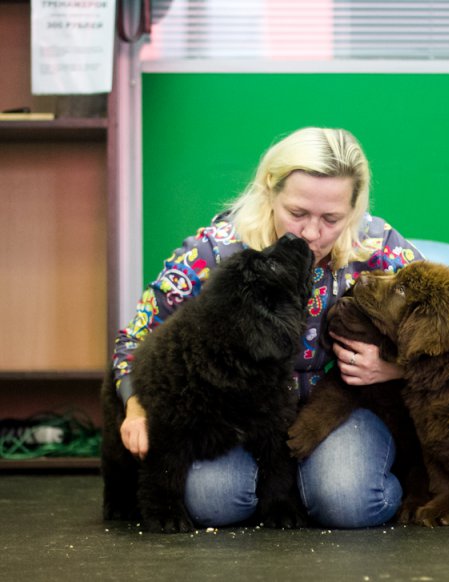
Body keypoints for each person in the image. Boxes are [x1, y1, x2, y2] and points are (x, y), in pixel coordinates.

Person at [112, 127, 422, 529]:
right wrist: (135, 406)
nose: (311, 233)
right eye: (297, 214)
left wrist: (394, 367)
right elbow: (135, 337)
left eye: (332, 218)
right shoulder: (214, 251)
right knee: (214, 501)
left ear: (355, 209)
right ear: (268, 191)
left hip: (339, 409)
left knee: (349, 502)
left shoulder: (380, 247)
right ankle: (291, 490)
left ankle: (336, 484)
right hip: (239, 418)